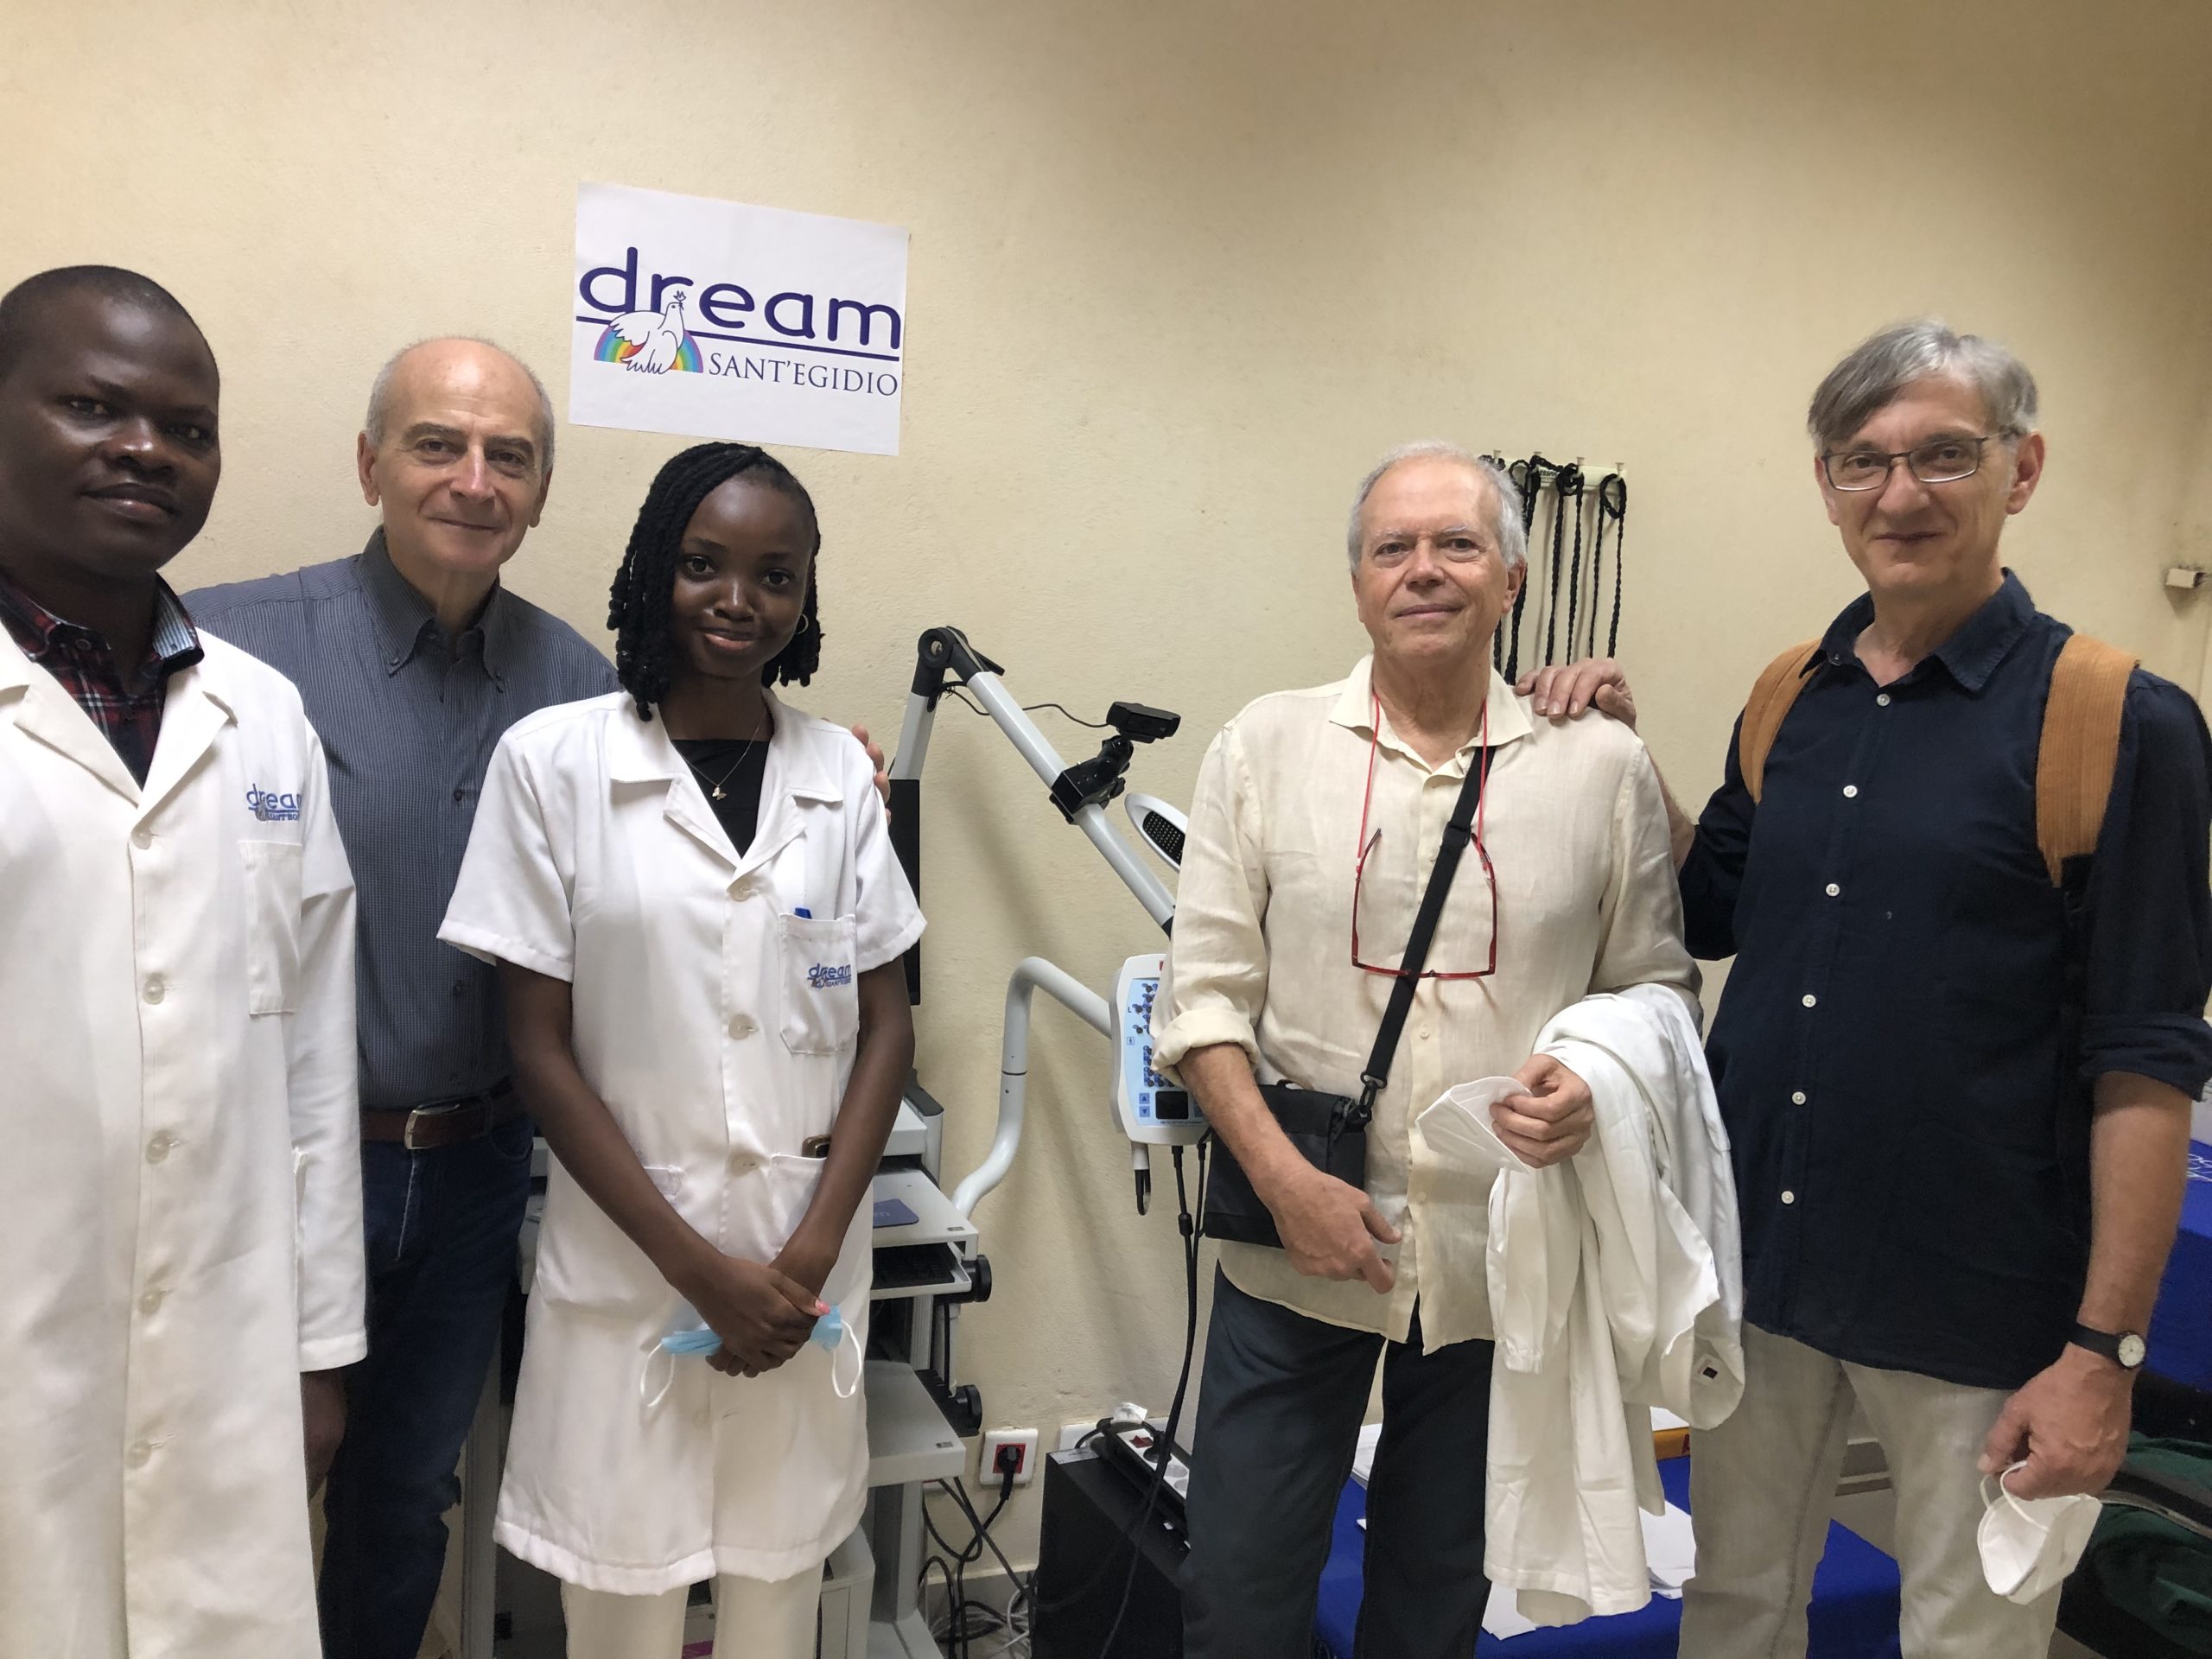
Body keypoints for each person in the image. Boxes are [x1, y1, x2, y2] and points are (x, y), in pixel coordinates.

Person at [1521, 319, 2212, 1657]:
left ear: (2022, 470)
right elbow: (1713, 906)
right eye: (1863, 462)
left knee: (1968, 1637)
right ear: (1828, 486)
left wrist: (2103, 1356)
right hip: (1764, 1272)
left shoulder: (2118, 721)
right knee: (1733, 1610)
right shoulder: (1794, 695)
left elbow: (2148, 1058)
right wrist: (1624, 757)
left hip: (1985, 1300)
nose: (1901, 495)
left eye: (1944, 455)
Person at [1154, 441, 1700, 1659]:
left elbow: (1656, 992)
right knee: (1239, 1588)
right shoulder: (1265, 746)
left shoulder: (1599, 765)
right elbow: (1201, 1006)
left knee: (1440, 1591)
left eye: (1458, 544)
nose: (1425, 570)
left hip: (1505, 1245)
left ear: (1511, 578)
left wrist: (1596, 1086)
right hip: (1299, 1242)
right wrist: (1285, 1185)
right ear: (1357, 582)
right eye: (1392, 548)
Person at [437, 442, 921, 1657]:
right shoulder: (552, 763)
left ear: (806, 595)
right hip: (636, 1269)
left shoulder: (838, 774)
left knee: (779, 1603)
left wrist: (809, 1254)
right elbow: (539, 1050)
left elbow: (888, 1024)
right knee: (622, 1613)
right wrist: (699, 1268)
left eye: (777, 575)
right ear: (654, 568)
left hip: (801, 1271)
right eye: (704, 564)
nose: (739, 599)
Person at [187, 338, 619, 1659]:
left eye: (509, 457)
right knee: (242, 1488)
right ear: (370, 464)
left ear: (540, 493)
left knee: (404, 1501)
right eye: (439, 445)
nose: (474, 481)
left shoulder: (580, 687)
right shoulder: (224, 645)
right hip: (277, 1165)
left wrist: (822, 767)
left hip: (478, 1167)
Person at [0, 264, 362, 1656]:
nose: (147, 449)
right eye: (94, 407)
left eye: (188, 427)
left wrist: (320, 1355)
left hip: (227, 1364)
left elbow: (313, 1059)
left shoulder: (261, 716)